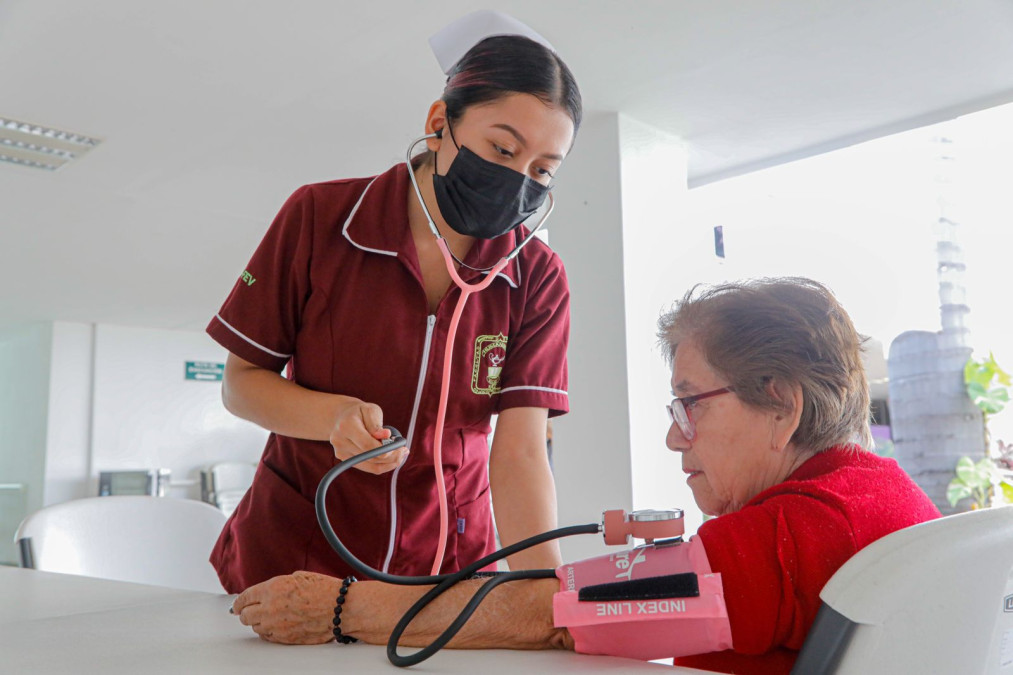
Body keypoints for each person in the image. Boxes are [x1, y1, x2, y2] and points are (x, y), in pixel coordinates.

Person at [231, 277, 940, 674]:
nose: (672, 435)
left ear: (779, 401)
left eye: (689, 404)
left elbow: (561, 615)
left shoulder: (798, 528)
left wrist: (342, 608)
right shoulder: (885, 496)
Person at [207, 27, 582, 593]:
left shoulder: (537, 277)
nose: (516, 178)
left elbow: (522, 449)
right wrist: (331, 419)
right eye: (502, 149)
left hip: (446, 560)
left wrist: (542, 593)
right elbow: (241, 383)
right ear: (439, 125)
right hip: (298, 551)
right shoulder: (320, 218)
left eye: (542, 170)